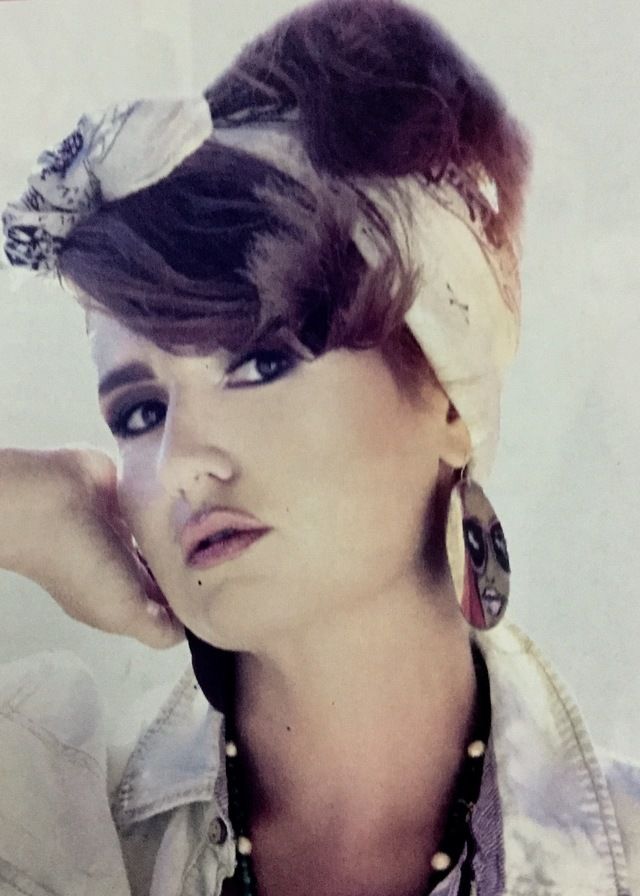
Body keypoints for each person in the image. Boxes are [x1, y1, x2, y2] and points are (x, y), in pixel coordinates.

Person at [0, 1, 638, 894]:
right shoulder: (49, 808)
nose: (181, 461)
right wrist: (19, 505)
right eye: (139, 412)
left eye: (261, 362)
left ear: (448, 400)